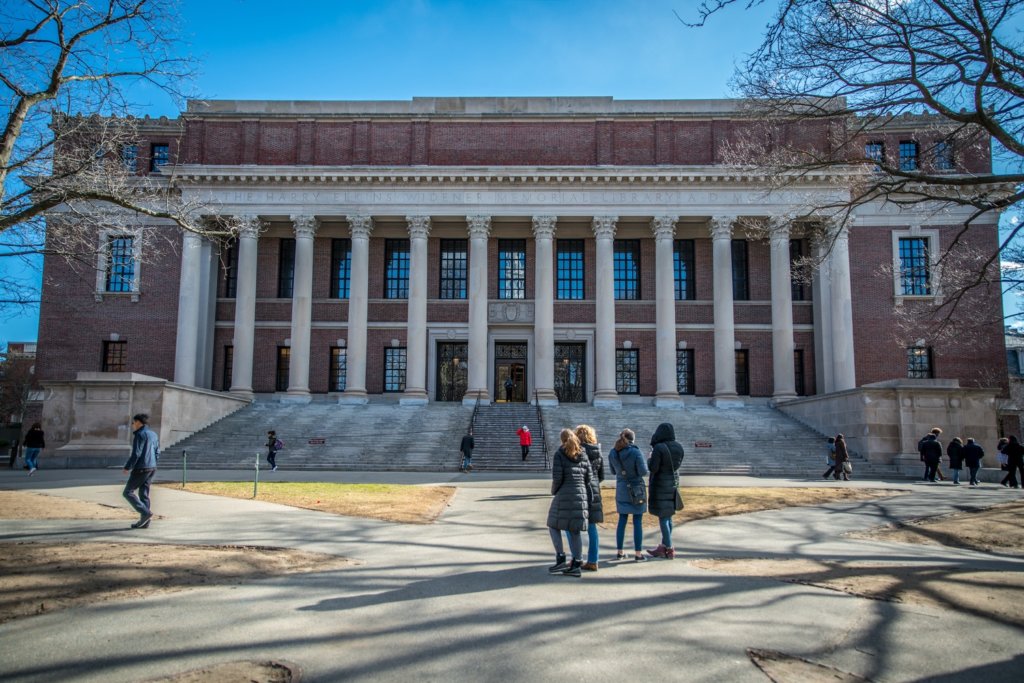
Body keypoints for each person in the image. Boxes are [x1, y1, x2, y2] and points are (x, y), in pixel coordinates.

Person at [546, 428, 593, 578]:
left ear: (562, 440)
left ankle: (561, 557)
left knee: (553, 524)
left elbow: (557, 478)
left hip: (564, 494)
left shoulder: (560, 453)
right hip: (581, 494)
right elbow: (589, 477)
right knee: (575, 529)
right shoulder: (583, 454)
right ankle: (577, 563)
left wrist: (554, 491)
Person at [647, 423, 685, 559]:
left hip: (660, 485)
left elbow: (653, 468)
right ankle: (663, 546)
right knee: (668, 516)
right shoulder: (679, 447)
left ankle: (669, 548)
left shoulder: (659, 448)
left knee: (663, 517)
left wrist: (649, 458)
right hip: (673, 485)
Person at [609, 428, 648, 562]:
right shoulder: (636, 452)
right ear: (632, 439)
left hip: (621, 488)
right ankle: (638, 553)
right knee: (637, 521)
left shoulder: (613, 452)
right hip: (636, 488)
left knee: (622, 520)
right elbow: (643, 471)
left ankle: (620, 552)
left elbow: (613, 471)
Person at [575, 424, 604, 571]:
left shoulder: (577, 451)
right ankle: (593, 560)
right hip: (594, 490)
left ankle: (577, 558)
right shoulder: (597, 451)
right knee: (592, 527)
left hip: (579, 490)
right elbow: (602, 475)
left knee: (573, 526)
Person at [123, 413, 159, 529]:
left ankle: (145, 513)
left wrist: (128, 466)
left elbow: (136, 453)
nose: (133, 425)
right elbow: (157, 451)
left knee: (128, 492)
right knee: (144, 494)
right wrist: (153, 463)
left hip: (141, 467)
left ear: (139, 422)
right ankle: (145, 521)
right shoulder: (153, 434)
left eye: (133, 423)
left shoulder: (139, 434)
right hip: (152, 467)